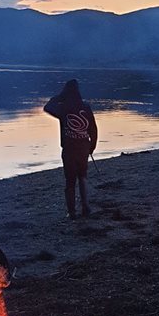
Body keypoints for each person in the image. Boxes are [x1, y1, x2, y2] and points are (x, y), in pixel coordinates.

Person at [44, 79, 98, 219]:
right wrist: (92, 146)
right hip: (83, 147)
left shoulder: (63, 108)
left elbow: (47, 107)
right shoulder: (86, 107)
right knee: (83, 177)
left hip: (69, 149)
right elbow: (93, 129)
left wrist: (60, 96)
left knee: (70, 181)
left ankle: (72, 212)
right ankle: (85, 207)